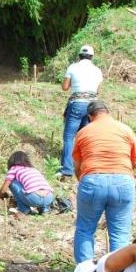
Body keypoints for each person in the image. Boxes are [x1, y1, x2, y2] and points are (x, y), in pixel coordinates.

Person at [72, 101, 136, 263]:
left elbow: (77, 166)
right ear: (107, 112)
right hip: (123, 182)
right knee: (120, 232)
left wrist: (85, 180)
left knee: (85, 229)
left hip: (92, 180)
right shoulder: (125, 129)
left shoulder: (83, 132)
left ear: (90, 117)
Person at [57, 45, 103, 180]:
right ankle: (87, 167)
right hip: (92, 107)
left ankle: (67, 169)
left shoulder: (72, 67)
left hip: (76, 104)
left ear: (79, 56)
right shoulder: (97, 70)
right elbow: (98, 91)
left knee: (69, 136)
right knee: (85, 136)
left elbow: (65, 87)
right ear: (92, 57)